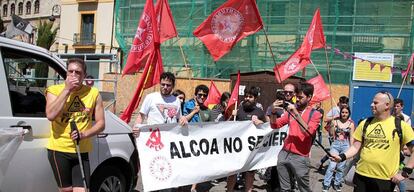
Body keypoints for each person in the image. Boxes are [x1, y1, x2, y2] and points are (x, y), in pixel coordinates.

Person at [332, 91, 414, 192]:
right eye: (372, 102)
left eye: (375, 103)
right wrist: (341, 157)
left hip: (385, 179)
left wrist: (405, 172)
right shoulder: (365, 123)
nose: (371, 105)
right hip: (361, 175)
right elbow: (355, 147)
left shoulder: (401, 125)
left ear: (387, 105)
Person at [45, 58, 105, 192]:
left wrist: (84, 134)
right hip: (59, 149)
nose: (73, 75)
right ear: (66, 73)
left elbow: (101, 124)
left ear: (83, 76)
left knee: (83, 190)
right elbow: (50, 115)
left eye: (77, 72)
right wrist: (67, 90)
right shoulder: (54, 90)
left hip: (81, 149)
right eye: (70, 71)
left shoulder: (93, 93)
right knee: (66, 190)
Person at [132, 72, 187, 192]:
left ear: (172, 86)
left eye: (168, 85)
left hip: (169, 145)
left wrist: (183, 119)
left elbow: (179, 119)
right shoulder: (151, 98)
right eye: (163, 84)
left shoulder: (176, 101)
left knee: (167, 175)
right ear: (159, 84)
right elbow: (141, 117)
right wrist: (137, 127)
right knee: (153, 173)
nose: (165, 87)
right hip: (153, 144)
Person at [269, 82, 322, 192]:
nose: (297, 99)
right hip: (284, 153)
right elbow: (275, 125)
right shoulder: (290, 111)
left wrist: (296, 113)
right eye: (296, 97)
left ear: (309, 97)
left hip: (300, 157)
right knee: (285, 188)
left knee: (304, 189)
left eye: (300, 97)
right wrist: (273, 111)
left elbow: (307, 133)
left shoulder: (315, 114)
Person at [226, 86, 266, 192]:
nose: (247, 98)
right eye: (246, 96)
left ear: (255, 99)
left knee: (250, 172)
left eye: (250, 97)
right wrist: (231, 116)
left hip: (251, 149)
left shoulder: (260, 112)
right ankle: (229, 190)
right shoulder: (238, 110)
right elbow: (226, 127)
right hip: (237, 148)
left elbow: (267, 127)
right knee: (233, 171)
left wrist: (260, 123)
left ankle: (248, 190)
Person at [182, 84, 212, 192]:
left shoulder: (207, 110)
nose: (202, 97)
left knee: (197, 164)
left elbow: (212, 127)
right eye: (200, 94)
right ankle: (181, 186)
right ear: (195, 95)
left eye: (205, 95)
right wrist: (194, 111)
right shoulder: (187, 105)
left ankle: (193, 187)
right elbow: (182, 120)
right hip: (187, 139)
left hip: (200, 143)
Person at [322, 106, 355, 192]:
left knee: (341, 167)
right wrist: (332, 126)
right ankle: (326, 184)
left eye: (346, 112)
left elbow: (351, 137)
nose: (344, 114)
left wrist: (351, 149)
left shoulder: (351, 124)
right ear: (340, 113)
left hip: (345, 146)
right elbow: (331, 134)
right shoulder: (335, 121)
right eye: (343, 112)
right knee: (332, 165)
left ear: (349, 114)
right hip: (335, 145)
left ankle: (337, 183)